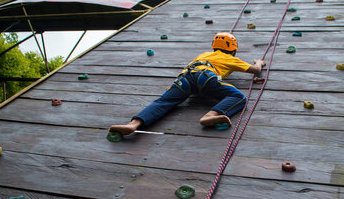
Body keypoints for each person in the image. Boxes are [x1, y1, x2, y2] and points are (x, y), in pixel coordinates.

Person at [109, 32, 266, 136]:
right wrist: (258, 62)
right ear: (233, 49)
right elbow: (255, 70)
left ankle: (133, 124)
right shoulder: (232, 59)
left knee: (163, 102)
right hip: (206, 77)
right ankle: (211, 115)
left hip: (185, 78)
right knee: (238, 97)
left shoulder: (204, 54)